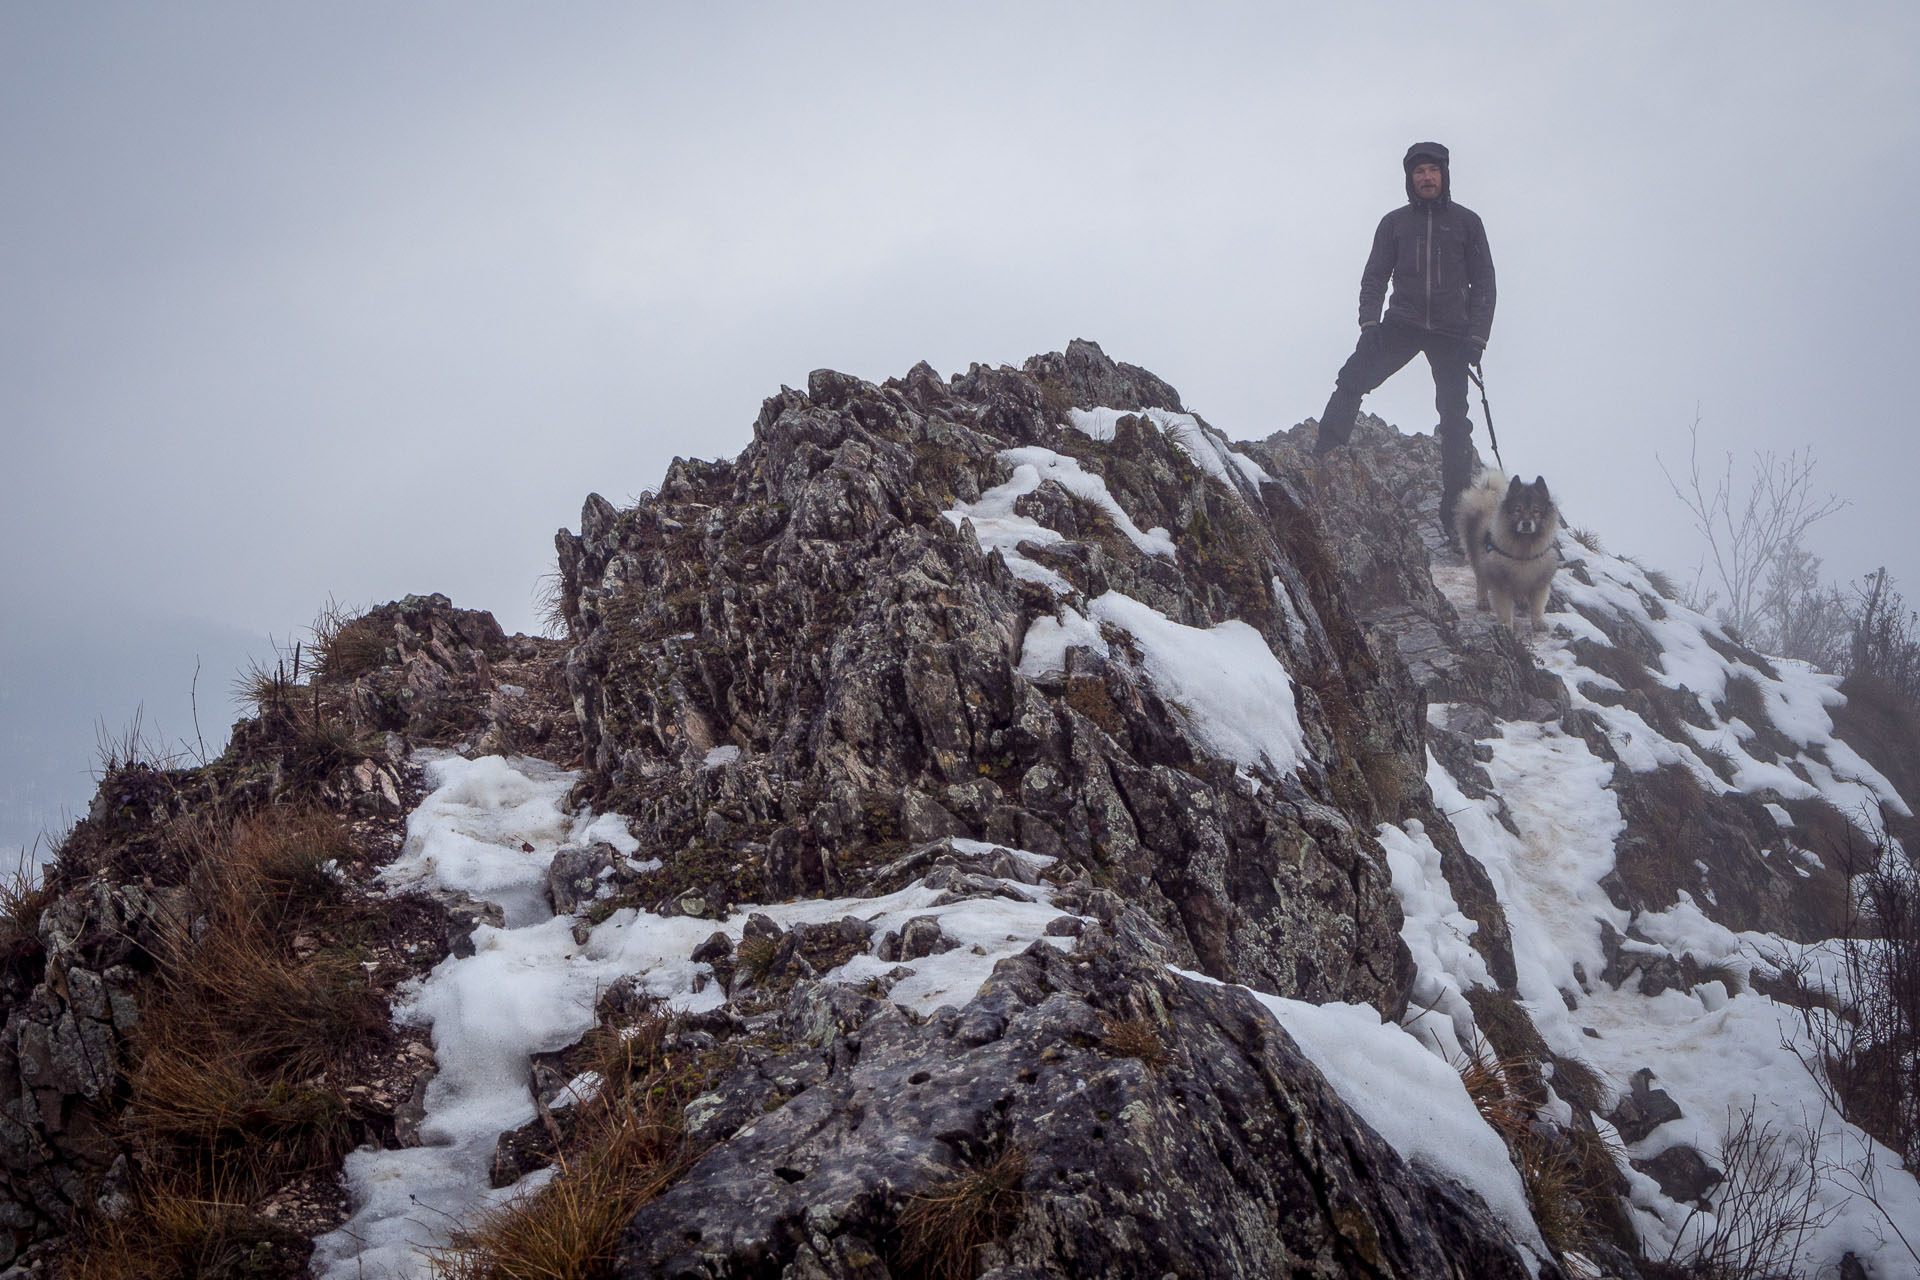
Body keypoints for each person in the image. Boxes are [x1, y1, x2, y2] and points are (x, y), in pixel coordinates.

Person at [1313, 141, 1496, 544]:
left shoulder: (1467, 222)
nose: (1427, 177)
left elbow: (1485, 283)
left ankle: (1454, 515)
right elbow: (1375, 275)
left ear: (1444, 175)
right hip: (1402, 324)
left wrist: (1477, 338)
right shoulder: (1394, 223)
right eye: (1419, 172)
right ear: (1409, 178)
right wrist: (1368, 324)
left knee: (1454, 421)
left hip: (1452, 332)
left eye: (1433, 170)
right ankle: (1323, 459)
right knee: (1352, 379)